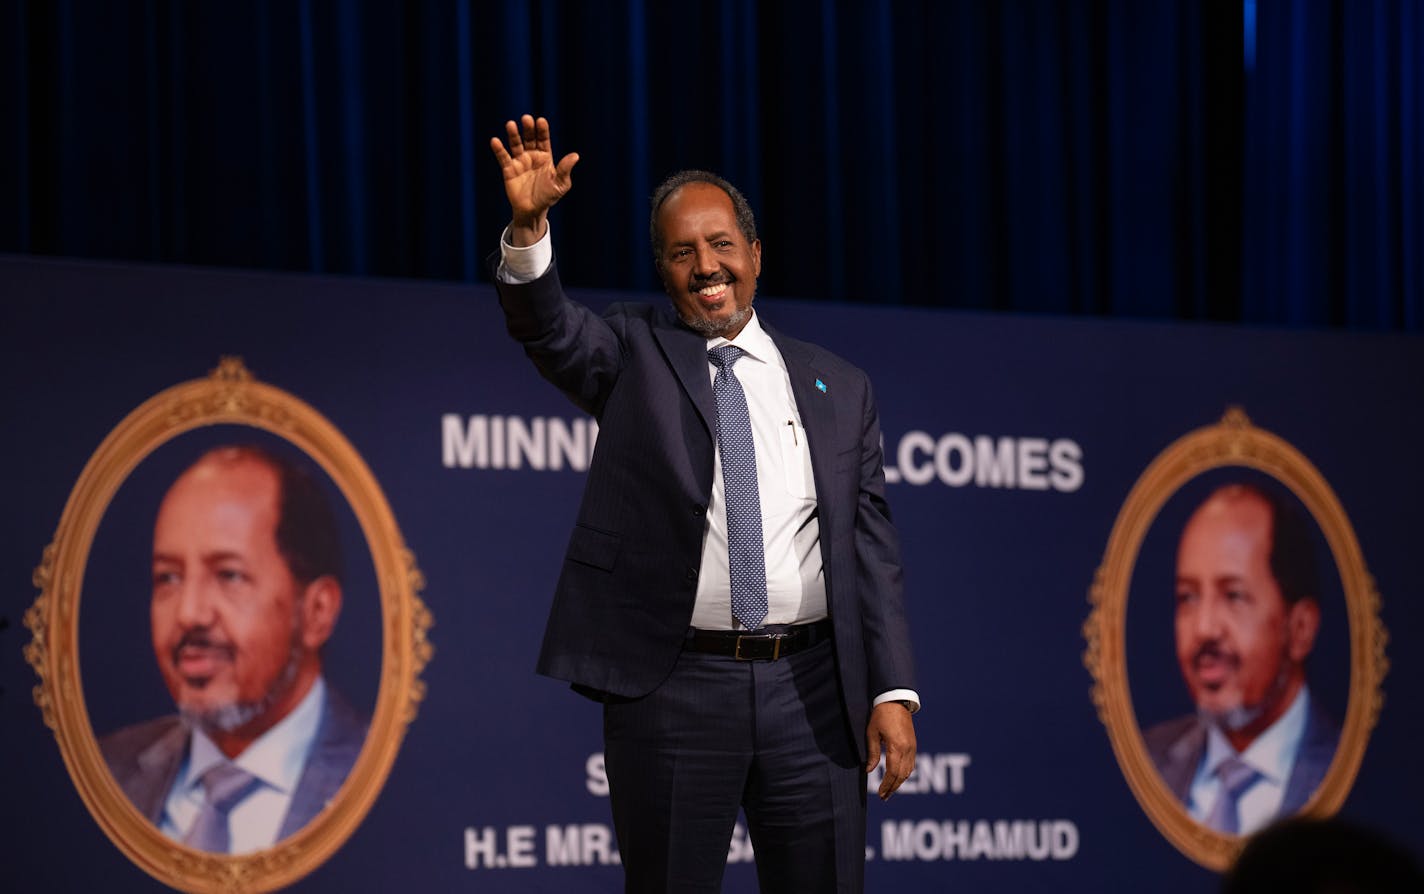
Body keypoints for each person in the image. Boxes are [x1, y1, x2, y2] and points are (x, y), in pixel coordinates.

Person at [488, 115, 919, 892]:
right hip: (676, 690)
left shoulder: (839, 385)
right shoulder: (633, 352)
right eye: (682, 253)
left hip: (815, 693)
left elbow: (869, 546)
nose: (706, 266)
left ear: (755, 255)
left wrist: (890, 689)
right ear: (663, 271)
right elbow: (547, 329)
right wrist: (528, 227)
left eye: (721, 245)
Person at [100, 445, 367, 854]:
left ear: (317, 612)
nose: (189, 613)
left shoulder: (383, 777)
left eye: (229, 575)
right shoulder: (106, 772)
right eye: (168, 578)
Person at [1145, 482, 1339, 836]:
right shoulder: (1147, 762)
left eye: (1233, 595)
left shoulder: (1351, 771)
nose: (1204, 628)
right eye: (1188, 597)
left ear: (1300, 629)